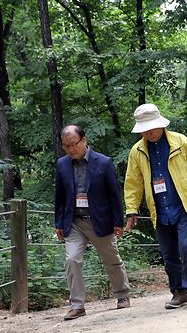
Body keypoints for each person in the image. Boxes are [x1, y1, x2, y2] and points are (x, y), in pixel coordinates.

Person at [124, 104, 187, 309]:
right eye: (144, 129)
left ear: (161, 125)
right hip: (159, 208)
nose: (148, 132)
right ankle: (178, 292)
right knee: (169, 253)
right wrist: (132, 209)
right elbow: (132, 182)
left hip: (184, 205)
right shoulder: (136, 151)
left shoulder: (181, 142)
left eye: (151, 127)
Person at [54, 125, 131, 321]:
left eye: (74, 144)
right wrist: (59, 223)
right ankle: (77, 305)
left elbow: (114, 195)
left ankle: (122, 295)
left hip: (100, 220)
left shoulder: (103, 162)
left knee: (112, 260)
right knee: (72, 260)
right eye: (66, 146)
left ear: (84, 140)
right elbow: (60, 197)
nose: (71, 149)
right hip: (74, 222)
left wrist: (118, 222)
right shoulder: (62, 165)